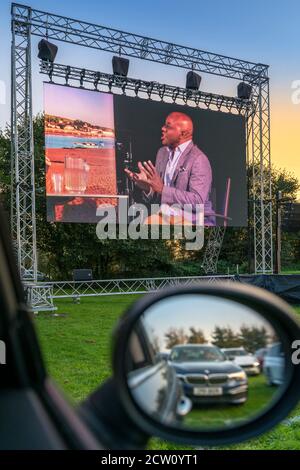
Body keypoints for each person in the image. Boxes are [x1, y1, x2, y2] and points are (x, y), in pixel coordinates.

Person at [124, 111, 215, 225]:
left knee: (149, 224)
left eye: (168, 126)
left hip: (193, 219)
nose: (162, 128)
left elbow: (198, 202)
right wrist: (148, 187)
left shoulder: (198, 159)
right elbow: (159, 197)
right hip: (166, 216)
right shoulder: (162, 153)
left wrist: (162, 189)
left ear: (183, 133)